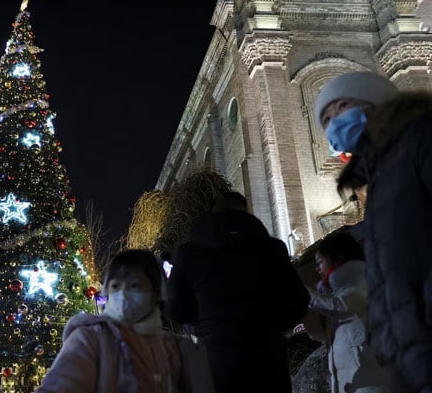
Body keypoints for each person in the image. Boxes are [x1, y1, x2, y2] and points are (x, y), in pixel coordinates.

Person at [314, 72, 432, 393]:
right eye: (326, 118)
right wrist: (383, 338)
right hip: (405, 352)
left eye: (342, 106)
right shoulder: (377, 176)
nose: (335, 120)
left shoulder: (420, 137)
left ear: (374, 102)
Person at [165, 191, 310, 393]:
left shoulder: (189, 254)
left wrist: (205, 324)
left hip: (215, 360)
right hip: (268, 360)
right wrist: (269, 325)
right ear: (247, 213)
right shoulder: (273, 249)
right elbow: (298, 302)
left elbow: (177, 308)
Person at [37, 250, 213, 393]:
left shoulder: (177, 347)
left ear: (155, 291)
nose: (122, 293)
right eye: (115, 286)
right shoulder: (92, 338)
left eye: (134, 285)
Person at [307, 232, 387, 393]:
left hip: (371, 385)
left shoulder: (360, 282)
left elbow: (339, 307)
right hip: (355, 383)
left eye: (320, 262)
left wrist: (300, 292)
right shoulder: (340, 292)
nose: (317, 269)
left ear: (337, 259)